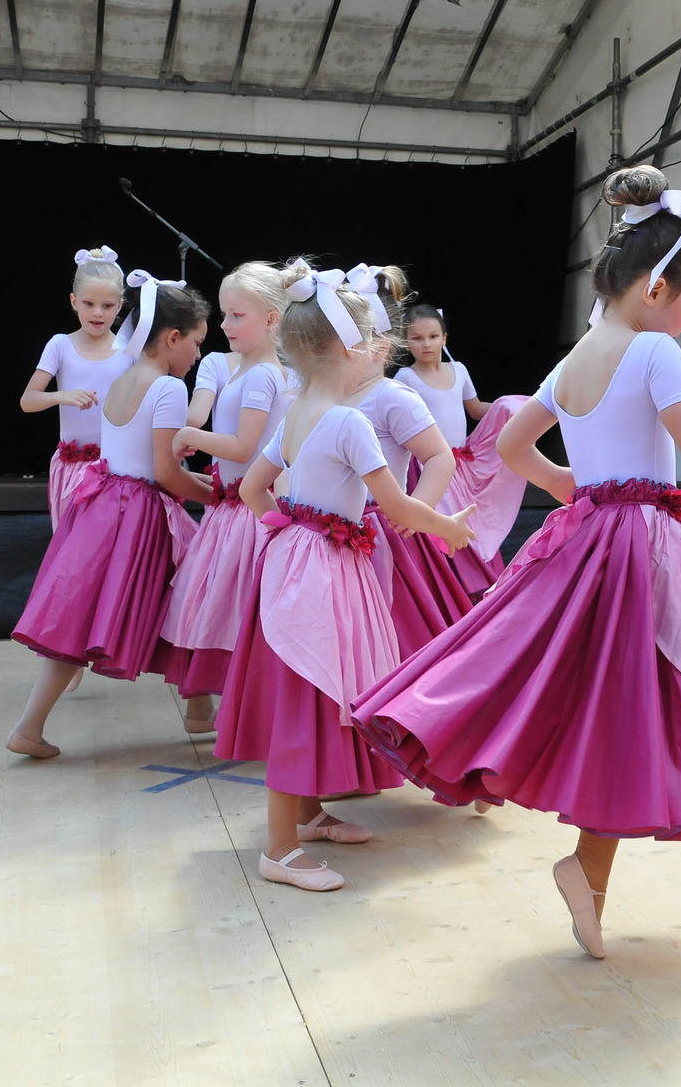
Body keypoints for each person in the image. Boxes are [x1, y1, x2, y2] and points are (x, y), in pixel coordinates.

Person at [352, 166, 681, 959]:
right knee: (639, 700)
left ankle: (587, 872)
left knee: (611, 698)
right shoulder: (653, 353)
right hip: (636, 544)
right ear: (658, 288)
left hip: (590, 535)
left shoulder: (571, 363)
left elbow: (512, 443)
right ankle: (587, 871)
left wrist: (572, 486)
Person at [216, 263, 476, 893]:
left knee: (305, 687)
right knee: (308, 696)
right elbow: (397, 508)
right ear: (353, 351)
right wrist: (451, 530)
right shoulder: (349, 422)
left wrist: (291, 530)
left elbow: (253, 488)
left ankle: (307, 819)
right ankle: (278, 849)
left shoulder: (298, 412)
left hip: (295, 562)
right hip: (324, 573)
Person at [8, 273, 217, 758]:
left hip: (103, 503)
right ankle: (203, 707)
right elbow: (167, 472)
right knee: (190, 595)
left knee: (95, 614)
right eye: (198, 343)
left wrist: (204, 486)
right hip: (139, 516)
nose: (199, 356)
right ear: (172, 337)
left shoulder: (122, 377)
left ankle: (30, 725)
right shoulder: (168, 389)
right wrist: (216, 498)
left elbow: (147, 461)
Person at [152, 262, 295, 733]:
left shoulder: (261, 376)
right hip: (234, 509)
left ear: (272, 319)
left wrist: (192, 433)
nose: (226, 326)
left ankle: (252, 715)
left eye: (237, 316)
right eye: (226, 316)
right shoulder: (245, 372)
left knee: (241, 611)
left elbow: (243, 447)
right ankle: (215, 709)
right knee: (224, 607)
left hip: (253, 512)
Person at [342, 265, 471, 656]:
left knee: (391, 638)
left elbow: (438, 456)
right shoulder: (323, 397)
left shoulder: (390, 396)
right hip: (328, 532)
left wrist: (418, 510)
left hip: (378, 535)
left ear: (379, 346)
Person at [396, 303, 530, 597]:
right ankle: (452, 588)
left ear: (445, 338)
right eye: (417, 338)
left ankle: (480, 585)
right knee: (442, 523)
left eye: (433, 336)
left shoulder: (459, 370)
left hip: (462, 462)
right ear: (406, 342)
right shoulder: (405, 378)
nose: (426, 344)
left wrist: (512, 407)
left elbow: (476, 409)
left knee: (472, 521)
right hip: (430, 465)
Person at [20, 248, 134, 529]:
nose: (97, 313)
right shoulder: (60, 345)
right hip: (72, 469)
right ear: (74, 301)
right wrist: (62, 396)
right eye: (89, 303)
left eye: (107, 306)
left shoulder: (130, 350)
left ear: (119, 305)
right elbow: (28, 400)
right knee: (74, 547)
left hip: (118, 467)